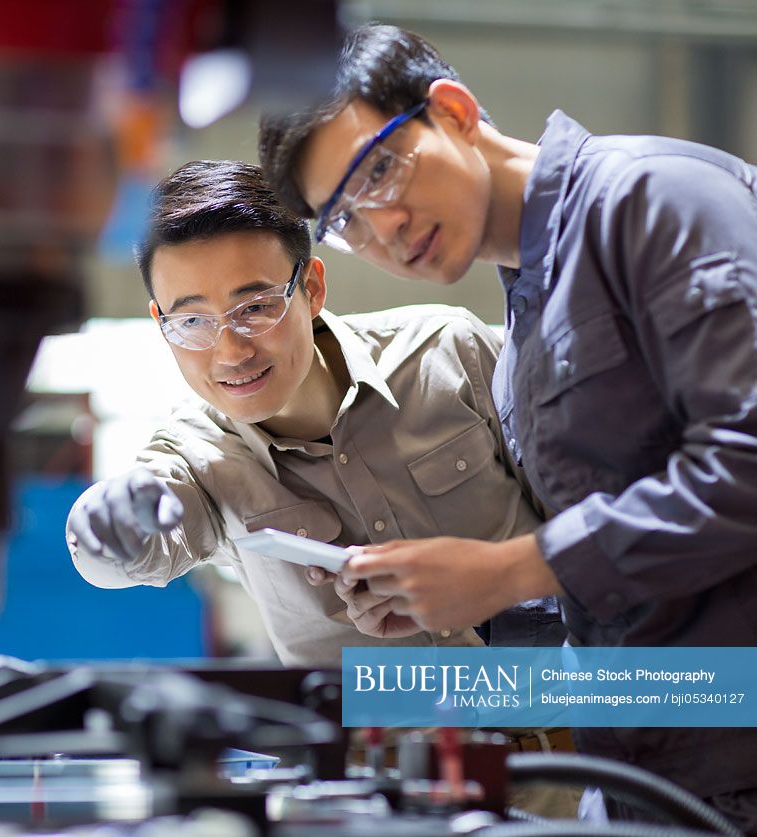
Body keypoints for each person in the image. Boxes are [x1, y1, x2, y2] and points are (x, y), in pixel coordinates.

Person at [258, 23, 757, 830]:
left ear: (452, 110)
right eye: (345, 220)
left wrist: (514, 568)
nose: (382, 227)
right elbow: (626, 587)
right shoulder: (524, 326)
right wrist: (450, 597)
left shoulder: (651, 200)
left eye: (379, 170)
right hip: (644, 768)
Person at [65, 158, 565, 662]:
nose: (231, 352)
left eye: (255, 308)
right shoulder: (196, 457)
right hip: (381, 738)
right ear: (161, 320)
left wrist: (504, 587)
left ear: (313, 288)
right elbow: (124, 555)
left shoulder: (448, 353)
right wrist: (104, 525)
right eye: (192, 320)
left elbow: (596, 526)